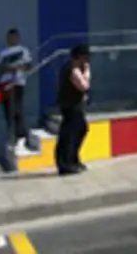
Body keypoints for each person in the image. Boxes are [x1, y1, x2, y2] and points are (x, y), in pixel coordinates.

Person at [55, 44, 92, 176]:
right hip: (70, 105)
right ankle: (66, 164)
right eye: (85, 57)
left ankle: (73, 159)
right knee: (70, 134)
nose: (87, 60)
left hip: (74, 104)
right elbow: (84, 86)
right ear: (79, 57)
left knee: (81, 129)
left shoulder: (76, 68)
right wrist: (87, 71)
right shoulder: (73, 69)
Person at [0, 28, 34, 150]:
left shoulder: (23, 50)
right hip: (5, 84)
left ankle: (23, 136)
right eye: (10, 37)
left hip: (17, 83)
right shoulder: (3, 53)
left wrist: (18, 68)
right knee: (8, 111)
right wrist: (8, 68)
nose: (12, 39)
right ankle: (12, 135)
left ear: (18, 38)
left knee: (17, 109)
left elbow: (29, 65)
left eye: (14, 37)